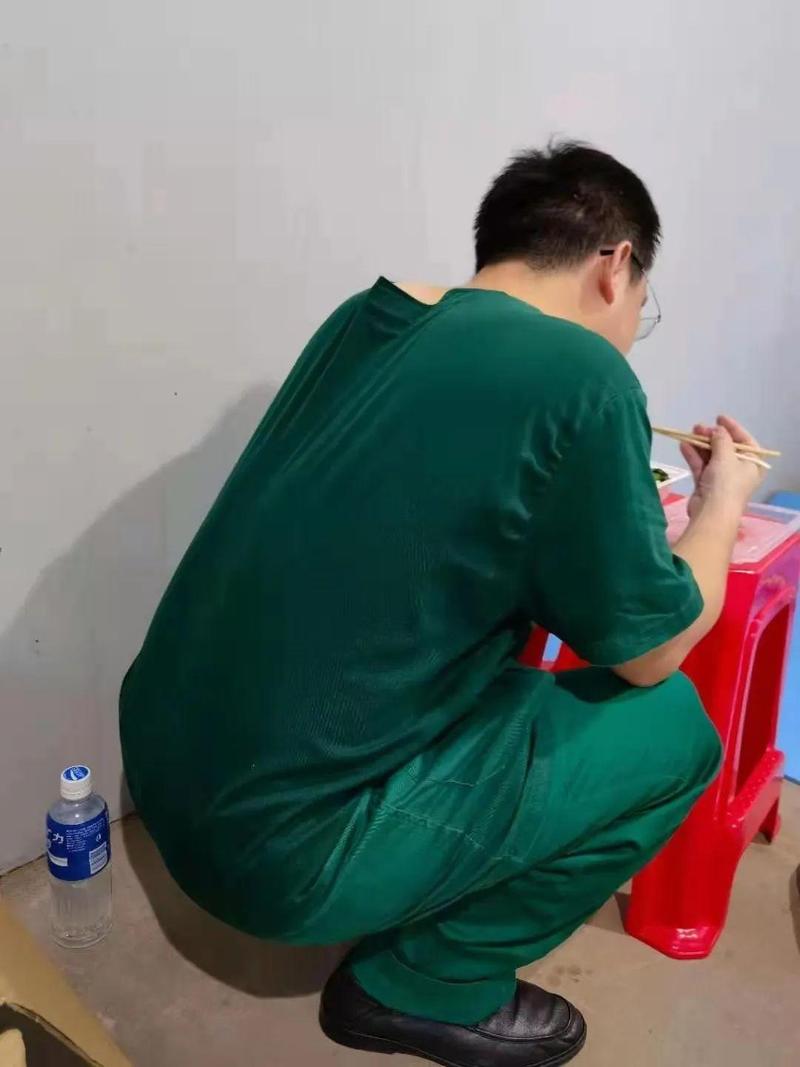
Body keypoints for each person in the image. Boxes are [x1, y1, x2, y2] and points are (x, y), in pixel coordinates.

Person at [120, 141, 763, 1066]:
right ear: (614, 265)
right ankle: (421, 985)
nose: (632, 330)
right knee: (674, 734)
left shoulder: (369, 315)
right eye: (643, 307)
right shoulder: (581, 376)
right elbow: (650, 649)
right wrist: (721, 504)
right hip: (272, 859)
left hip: (165, 765)